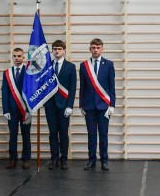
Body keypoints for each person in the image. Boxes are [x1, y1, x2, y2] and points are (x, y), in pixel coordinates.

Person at [79, 38, 116, 170]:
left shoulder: (109, 64)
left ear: (102, 49)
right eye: (93, 48)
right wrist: (81, 105)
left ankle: (104, 160)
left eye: (98, 47)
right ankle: (91, 160)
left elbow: (111, 87)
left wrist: (112, 105)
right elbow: (82, 87)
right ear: (90, 49)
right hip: (89, 106)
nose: (95, 50)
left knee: (103, 134)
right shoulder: (84, 65)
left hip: (104, 106)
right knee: (91, 134)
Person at [44, 40, 76, 170]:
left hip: (64, 105)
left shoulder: (70, 67)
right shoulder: (47, 67)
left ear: (64, 50)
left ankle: (64, 159)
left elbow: (72, 88)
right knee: (52, 133)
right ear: (52, 50)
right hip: (50, 105)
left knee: (63, 133)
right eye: (55, 49)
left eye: (59, 49)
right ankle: (54, 158)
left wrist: (70, 106)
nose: (57, 51)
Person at [2, 48, 31, 169]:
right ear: (12, 57)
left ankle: (26, 159)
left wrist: (30, 110)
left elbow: (31, 92)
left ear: (23, 57)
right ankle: (12, 159)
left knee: (26, 135)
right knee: (13, 135)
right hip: (12, 110)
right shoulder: (7, 73)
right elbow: (4, 92)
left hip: (25, 110)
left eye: (19, 56)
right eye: (14, 56)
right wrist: (5, 110)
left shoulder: (29, 72)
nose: (17, 58)